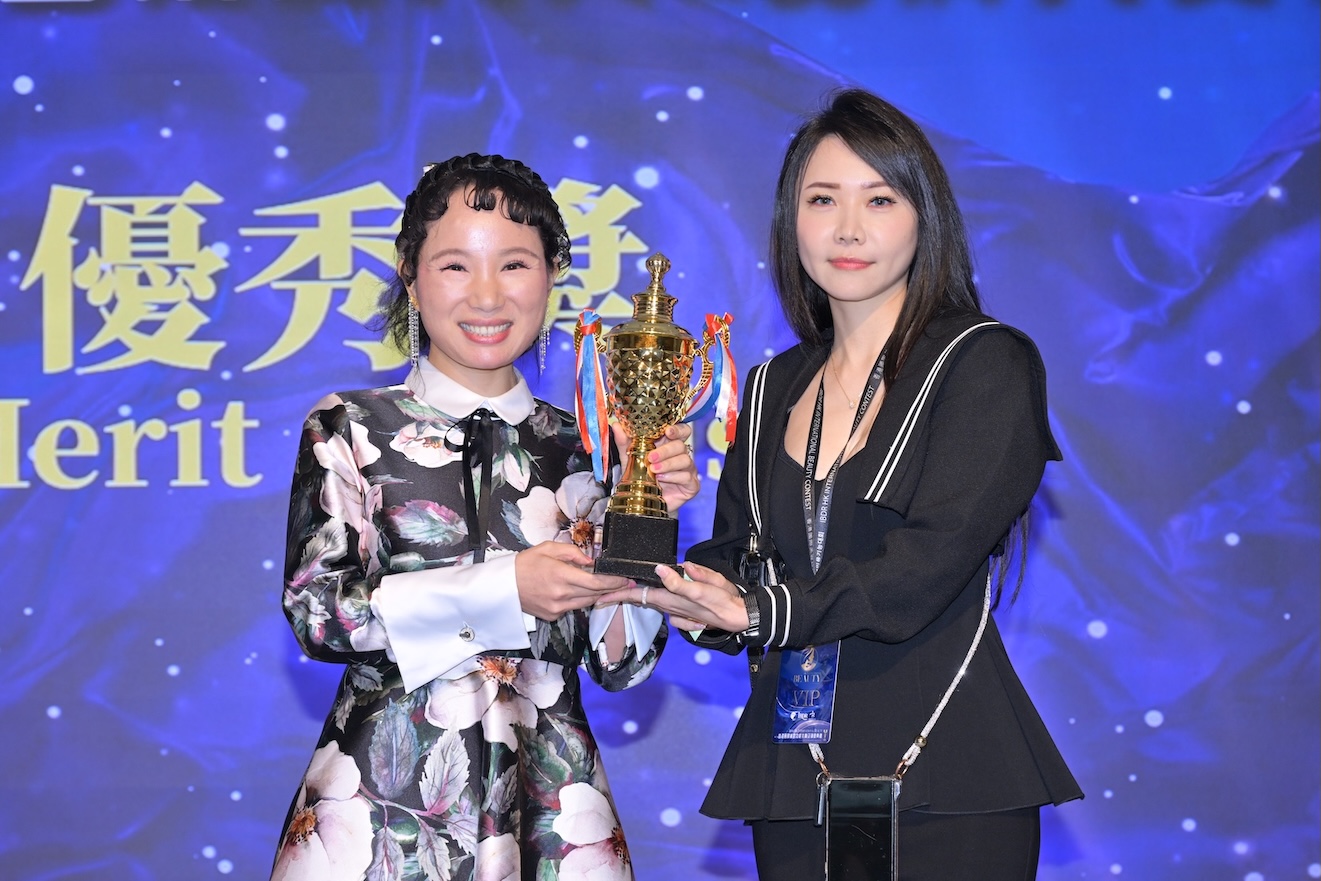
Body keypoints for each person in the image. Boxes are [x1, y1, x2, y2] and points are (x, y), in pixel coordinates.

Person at [602, 89, 1083, 879]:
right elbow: (741, 562)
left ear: (924, 217)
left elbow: (925, 564)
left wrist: (761, 610)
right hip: (796, 771)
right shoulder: (770, 387)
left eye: (879, 199)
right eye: (822, 199)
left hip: (949, 767)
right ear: (790, 221)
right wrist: (670, 547)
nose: (848, 228)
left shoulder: (984, 362)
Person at [270, 153, 699, 881]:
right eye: (455, 267)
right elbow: (321, 616)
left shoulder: (586, 445)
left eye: (514, 265)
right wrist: (507, 588)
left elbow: (621, 663)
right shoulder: (351, 426)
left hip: (551, 812)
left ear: (552, 275)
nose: (487, 295)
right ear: (410, 277)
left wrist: (644, 508)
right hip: (378, 816)